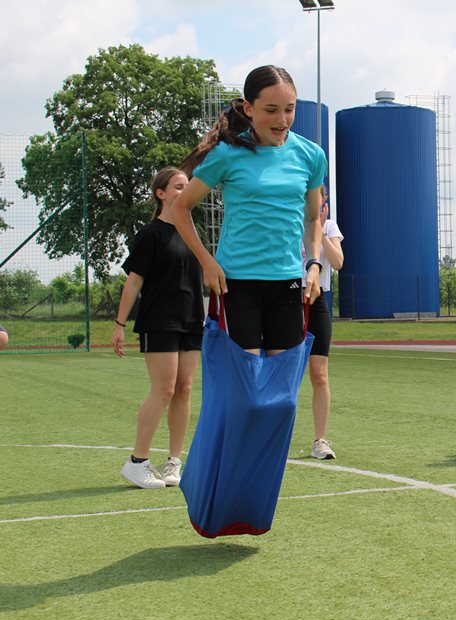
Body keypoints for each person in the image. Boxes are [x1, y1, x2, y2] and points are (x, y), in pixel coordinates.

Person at [173, 65, 327, 355]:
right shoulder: (227, 154)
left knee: (283, 382)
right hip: (236, 285)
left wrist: (315, 266)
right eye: (271, 110)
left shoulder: (311, 155)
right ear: (249, 108)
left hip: (288, 284)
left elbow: (312, 220)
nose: (282, 120)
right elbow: (180, 207)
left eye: (289, 109)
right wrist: (206, 262)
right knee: (244, 378)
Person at [112, 167, 203, 489]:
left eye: (187, 185)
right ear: (160, 194)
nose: (184, 190)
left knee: (184, 389)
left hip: (192, 320)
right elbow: (134, 281)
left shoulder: (192, 232)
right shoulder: (151, 234)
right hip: (160, 320)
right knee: (163, 390)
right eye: (177, 186)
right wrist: (120, 324)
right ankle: (137, 462)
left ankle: (173, 462)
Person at [305, 187, 345, 459]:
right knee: (283, 372)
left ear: (324, 200)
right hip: (288, 300)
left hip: (317, 301)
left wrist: (319, 228)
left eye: (317, 195)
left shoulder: (329, 226)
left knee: (319, 374)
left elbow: (338, 262)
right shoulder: (289, 221)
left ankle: (320, 440)